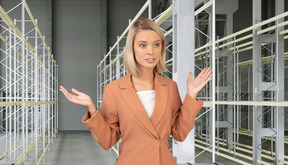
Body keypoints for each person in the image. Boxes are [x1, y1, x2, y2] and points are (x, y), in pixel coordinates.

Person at [59, 17, 212, 165]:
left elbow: (179, 133)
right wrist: (92, 109)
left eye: (156, 45)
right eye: (143, 45)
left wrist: (191, 94)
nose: (150, 51)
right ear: (132, 48)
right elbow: (108, 141)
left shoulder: (169, 87)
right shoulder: (114, 90)